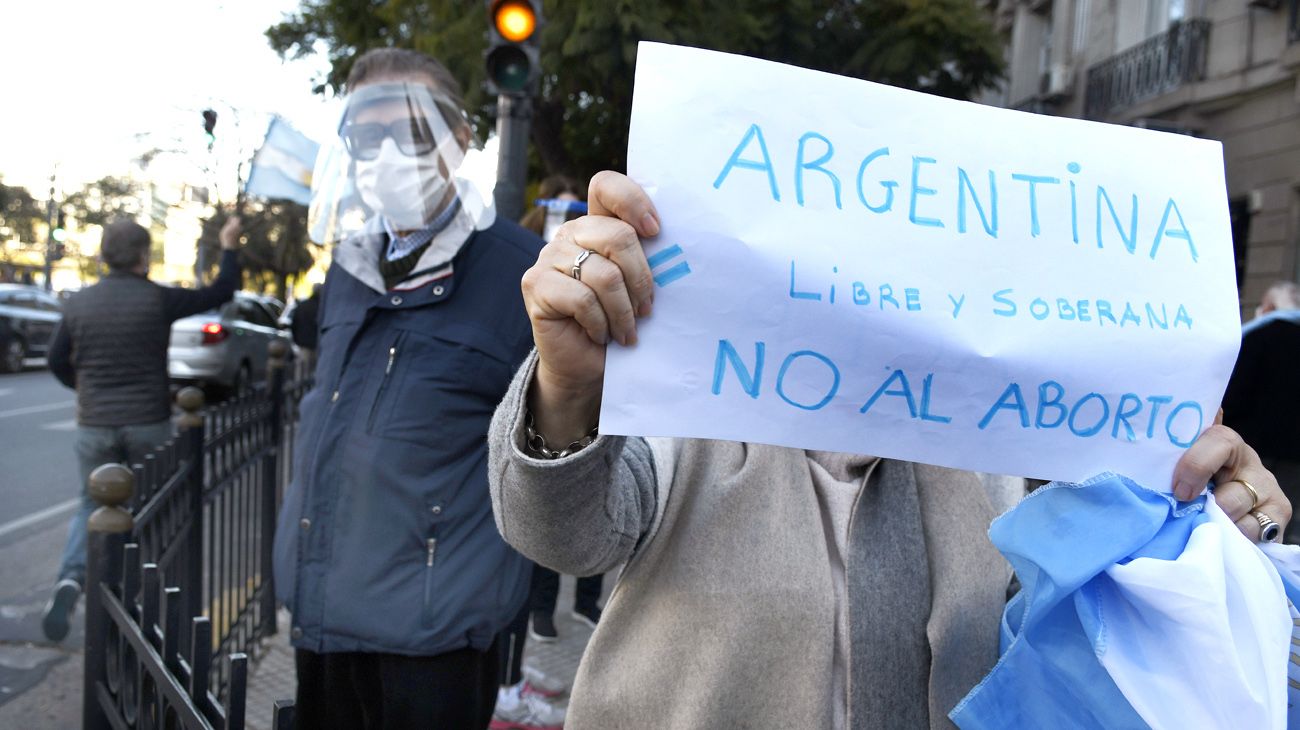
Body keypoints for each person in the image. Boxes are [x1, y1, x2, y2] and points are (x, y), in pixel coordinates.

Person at [487, 171, 1293, 728]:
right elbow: (560, 533)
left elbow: (1110, 645)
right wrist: (569, 390)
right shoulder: (687, 399)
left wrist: (1207, 536)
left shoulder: (1019, 434)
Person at [271, 47, 541, 729]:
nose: (387, 152)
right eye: (368, 135)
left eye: (412, 131)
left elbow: (560, 450)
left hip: (434, 639)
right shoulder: (349, 268)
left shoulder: (523, 274)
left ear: (460, 139)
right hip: (324, 616)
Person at [42, 217, 243, 641]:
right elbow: (220, 292)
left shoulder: (78, 303)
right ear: (142, 256)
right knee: (150, 506)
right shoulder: (157, 299)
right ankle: (138, 595)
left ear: (102, 256)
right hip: (148, 422)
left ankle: (72, 578)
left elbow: (57, 359)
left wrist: (86, 387)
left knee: (88, 503)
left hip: (94, 423)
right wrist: (228, 246)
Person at [518, 174, 605, 641]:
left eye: (573, 214)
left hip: (598, 396)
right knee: (546, 495)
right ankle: (541, 608)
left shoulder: (599, 262)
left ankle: (588, 603)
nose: (564, 222)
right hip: (539, 389)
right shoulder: (523, 263)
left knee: (598, 488)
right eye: (556, 210)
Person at [1223, 279, 1300, 541]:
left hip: (1253, 446)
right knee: (1284, 516)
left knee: (1247, 517)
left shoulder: (1256, 337)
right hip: (1295, 453)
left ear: (1267, 306)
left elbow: (1235, 393)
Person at [288, 283, 321, 373]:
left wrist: (296, 340)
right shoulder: (321, 307)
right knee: (313, 372)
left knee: (301, 371)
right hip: (316, 344)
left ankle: (299, 387)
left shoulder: (303, 306)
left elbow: (294, 324)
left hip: (303, 343)